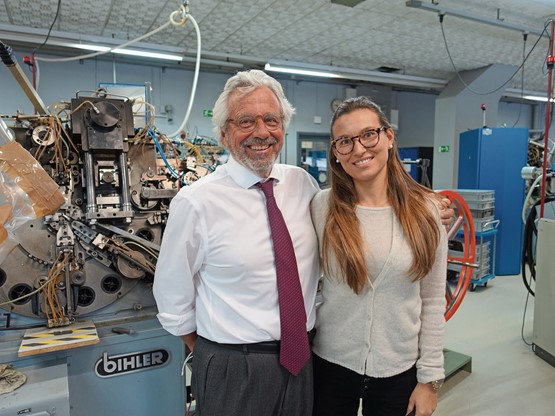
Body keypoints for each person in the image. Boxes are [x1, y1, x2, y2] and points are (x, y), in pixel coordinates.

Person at [152, 69, 320, 416]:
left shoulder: (303, 184)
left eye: (271, 119)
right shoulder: (196, 202)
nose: (261, 132)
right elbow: (172, 295)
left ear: (283, 128)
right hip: (234, 366)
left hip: (303, 358)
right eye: (246, 121)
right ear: (225, 134)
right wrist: (214, 354)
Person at [310, 96, 448, 416]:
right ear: (335, 152)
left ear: (388, 137)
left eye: (368, 134)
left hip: (398, 369)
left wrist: (429, 380)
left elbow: (432, 300)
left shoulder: (426, 210)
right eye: (345, 141)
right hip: (330, 365)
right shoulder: (321, 207)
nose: (358, 149)